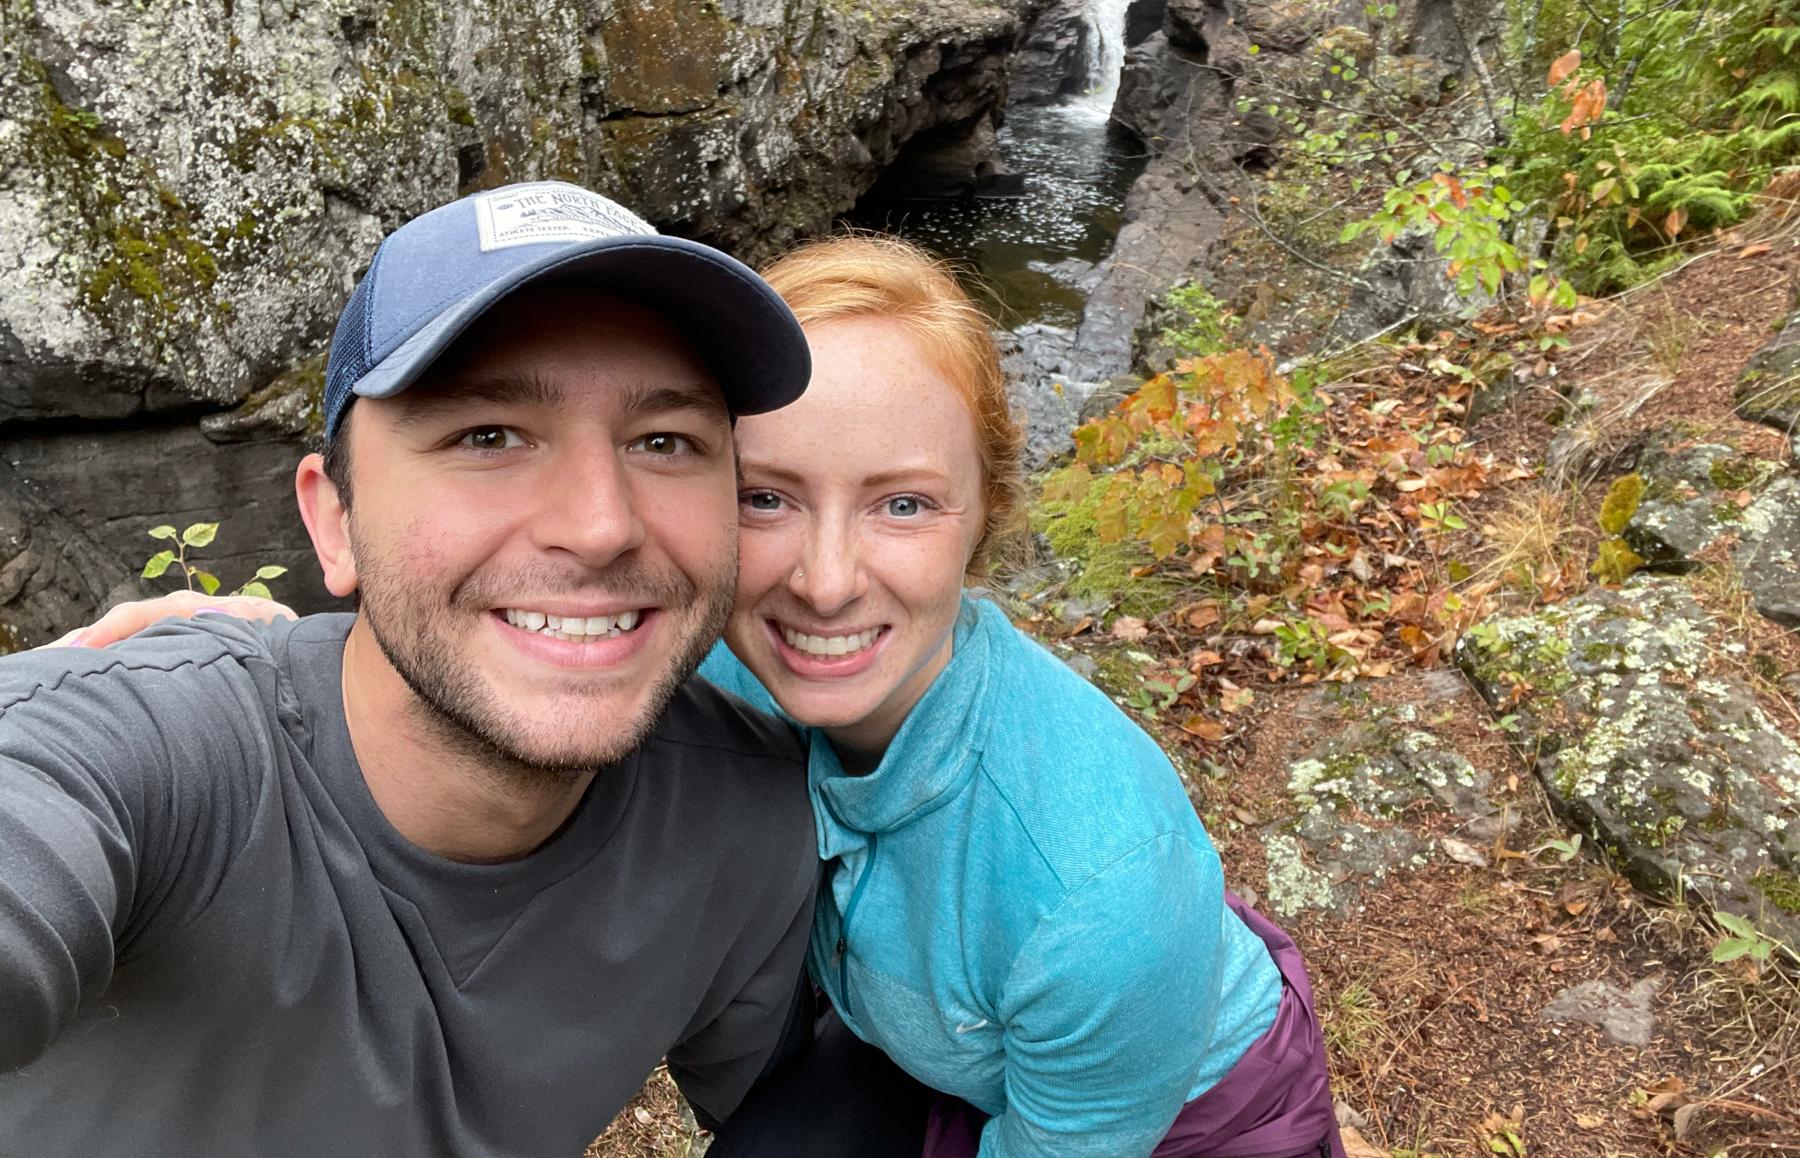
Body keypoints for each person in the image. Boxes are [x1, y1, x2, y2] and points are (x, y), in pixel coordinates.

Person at [80, 234, 1346, 1157]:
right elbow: (511, 644)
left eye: (903, 503)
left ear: (983, 524)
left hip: (1188, 1112)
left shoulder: (1093, 889)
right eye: (765, 498)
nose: (827, 580)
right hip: (950, 1056)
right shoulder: (723, 644)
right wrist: (244, 665)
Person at [0, 181, 823, 1154]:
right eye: (488, 436)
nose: (602, 525)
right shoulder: (153, 755)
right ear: (332, 521)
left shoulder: (749, 822)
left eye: (663, 441)